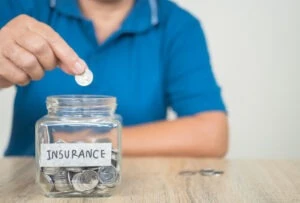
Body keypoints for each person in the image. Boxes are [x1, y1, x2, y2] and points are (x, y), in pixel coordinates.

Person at [0, 0, 228, 157]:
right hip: (27, 180)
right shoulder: (22, 7)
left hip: (129, 184)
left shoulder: (177, 26)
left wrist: (84, 140)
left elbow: (211, 134)